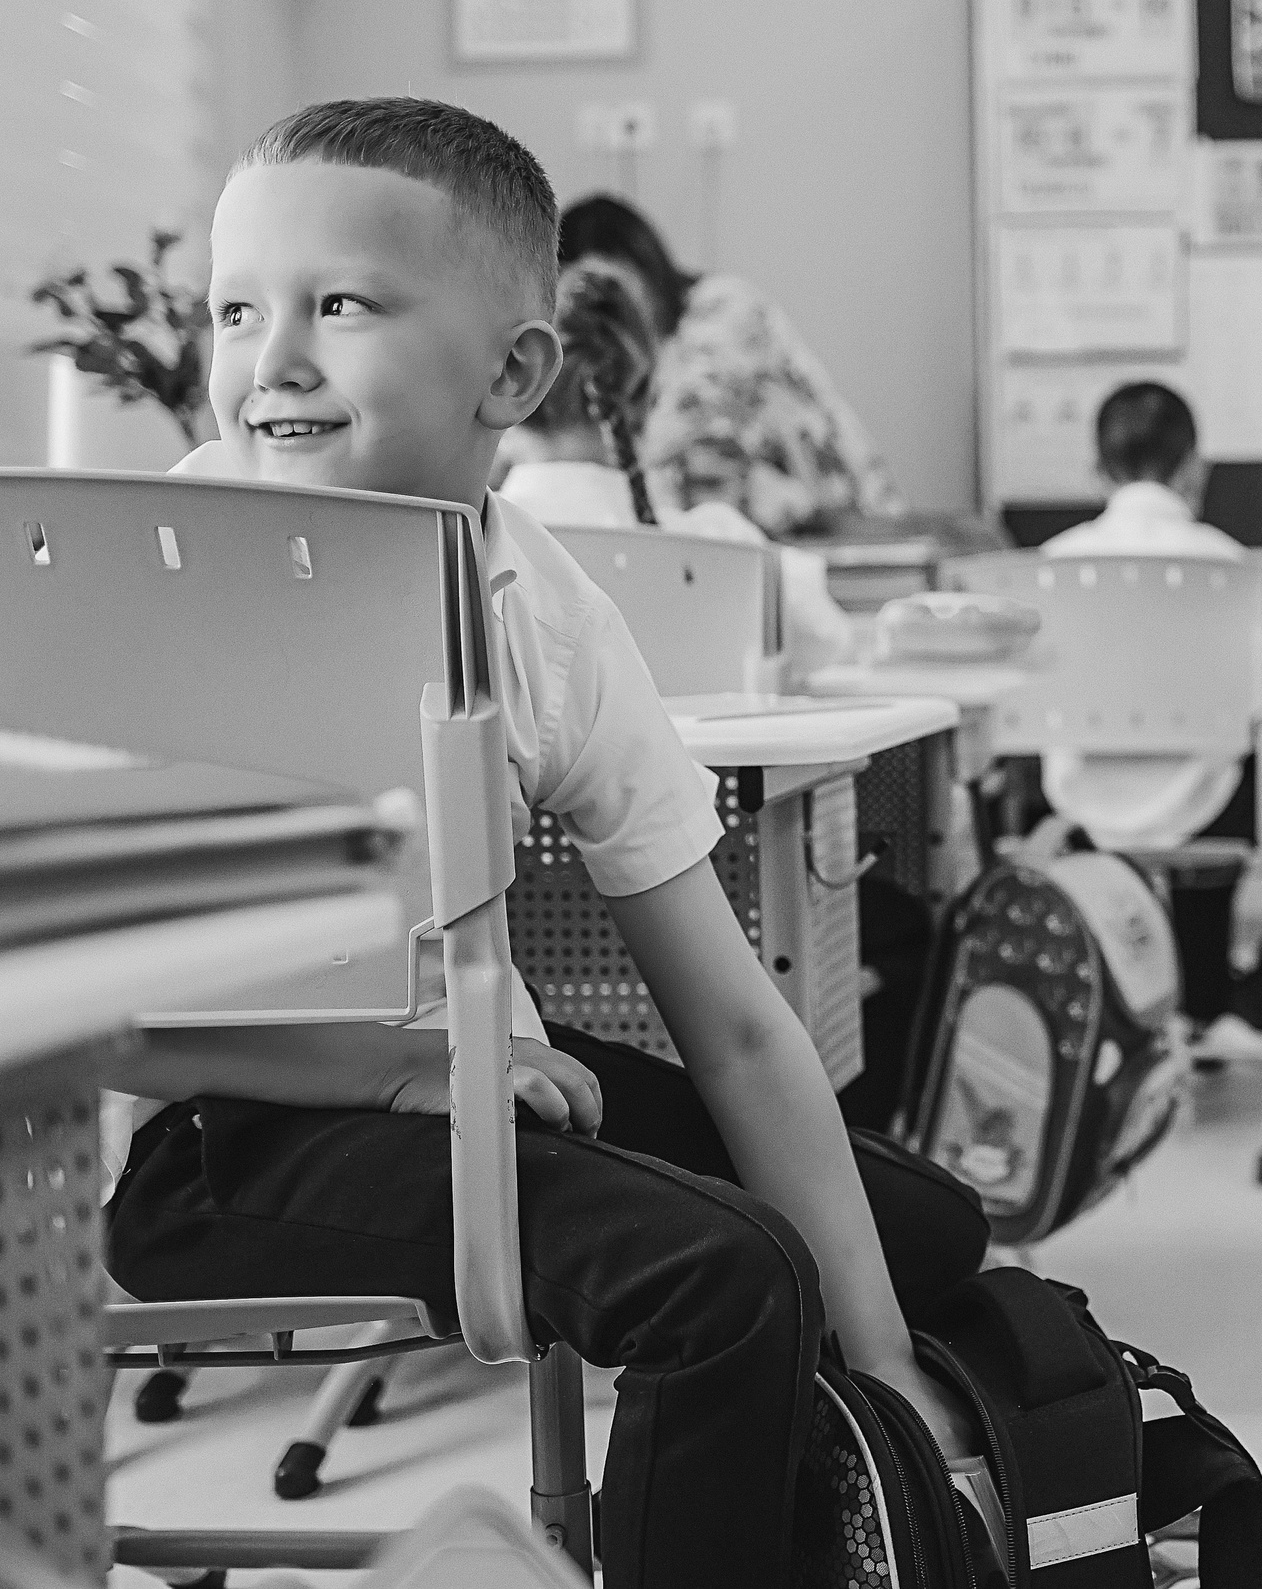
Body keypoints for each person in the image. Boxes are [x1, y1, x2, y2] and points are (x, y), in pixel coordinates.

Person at [105, 96, 982, 1588]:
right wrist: (391, 1063)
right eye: (235, 309)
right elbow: (95, 1015)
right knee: (731, 1280)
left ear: (514, 370)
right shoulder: (140, 575)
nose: (274, 360)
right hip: (222, 1137)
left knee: (919, 1231)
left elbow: (742, 1029)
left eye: (339, 303)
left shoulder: (547, 608)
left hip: (471, 1087)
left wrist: (889, 1357)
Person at [1040, 381, 1262, 1035]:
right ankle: (1256, 1011)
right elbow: (1259, 708)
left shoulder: (1053, 565)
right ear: (1193, 466)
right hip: (1202, 801)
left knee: (1220, 795)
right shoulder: (1229, 568)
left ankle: (1162, 1007)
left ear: (1096, 469)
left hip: (1078, 803)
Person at [496, 256, 862, 680]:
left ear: (520, 385)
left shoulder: (474, 548)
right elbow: (830, 640)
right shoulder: (723, 547)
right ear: (647, 400)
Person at [557, 193, 904, 536]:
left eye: (610, 287)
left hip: (848, 516)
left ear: (642, 266)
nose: (602, 307)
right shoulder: (647, 346)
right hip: (783, 526)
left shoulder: (723, 308)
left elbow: (663, 433)